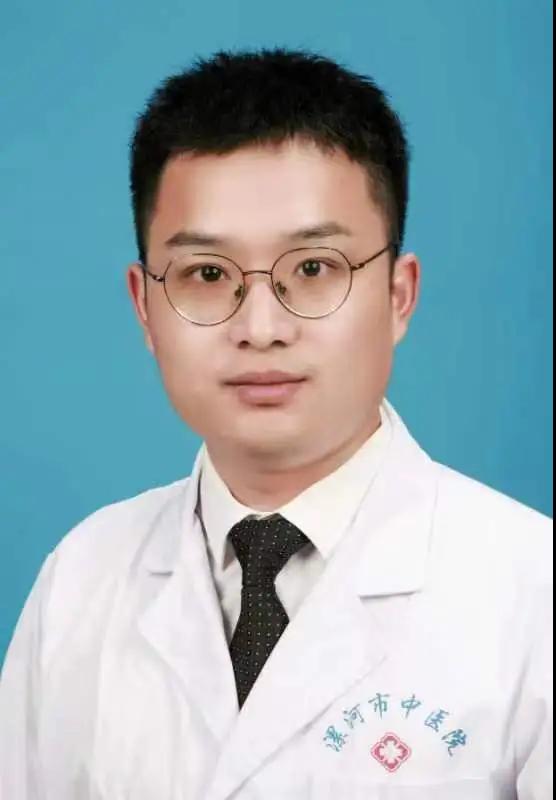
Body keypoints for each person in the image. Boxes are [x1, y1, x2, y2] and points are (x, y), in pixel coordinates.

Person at [0, 48, 552, 800]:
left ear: (398, 295)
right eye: (207, 274)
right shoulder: (81, 580)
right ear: (144, 307)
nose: (261, 328)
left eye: (314, 268)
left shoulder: (531, 592)